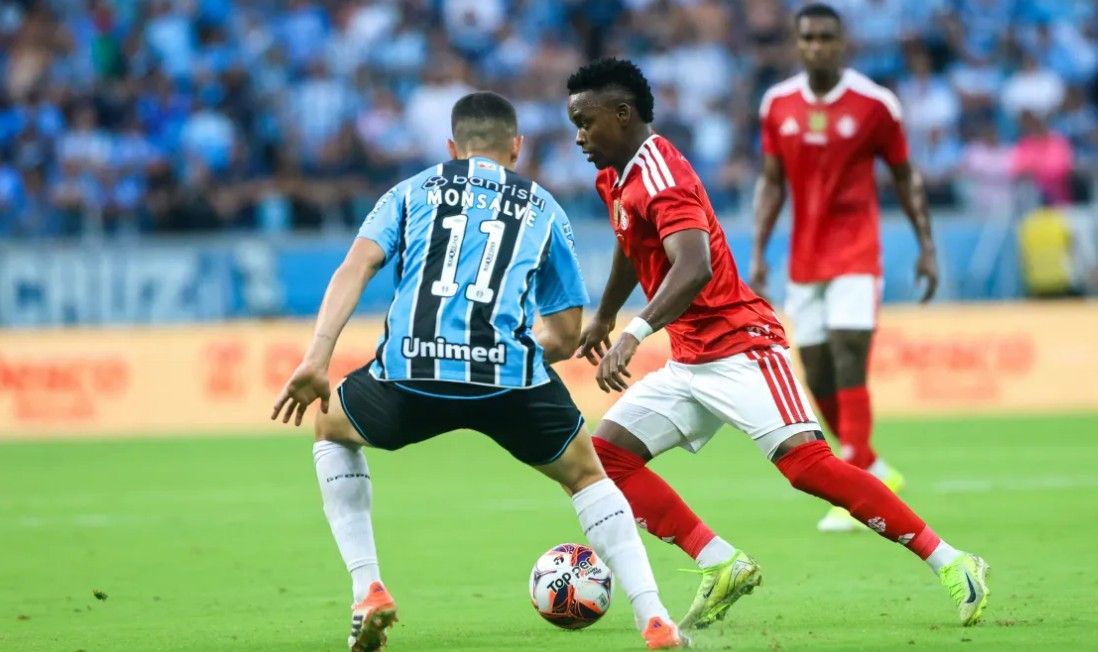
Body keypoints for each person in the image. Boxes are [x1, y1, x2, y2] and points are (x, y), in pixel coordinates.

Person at [565, 57, 990, 632]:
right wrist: (605, 314)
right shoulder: (616, 176)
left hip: (740, 347)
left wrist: (634, 332)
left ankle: (954, 562)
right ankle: (721, 563)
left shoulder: (662, 175)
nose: (579, 136)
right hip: (690, 360)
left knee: (808, 467)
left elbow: (694, 265)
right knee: (606, 457)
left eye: (586, 122)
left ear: (623, 114)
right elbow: (628, 239)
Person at [272, 91, 687, 651]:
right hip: (508, 375)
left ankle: (368, 589)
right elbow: (565, 335)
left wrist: (317, 358)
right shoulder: (544, 207)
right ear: (516, 147)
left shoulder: (410, 191)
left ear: (452, 147)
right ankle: (655, 619)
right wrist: (499, 351)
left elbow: (356, 266)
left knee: (331, 428)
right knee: (587, 477)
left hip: (412, 368)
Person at [751, 2, 939, 533]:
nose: (817, 46)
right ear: (797, 43)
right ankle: (871, 466)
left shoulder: (875, 104)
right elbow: (771, 181)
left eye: (826, 38)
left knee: (848, 353)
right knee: (816, 371)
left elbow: (905, 176)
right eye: (808, 38)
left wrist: (926, 245)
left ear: (842, 43)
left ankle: (853, 486)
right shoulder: (777, 103)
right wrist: (760, 251)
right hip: (804, 258)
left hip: (857, 251)